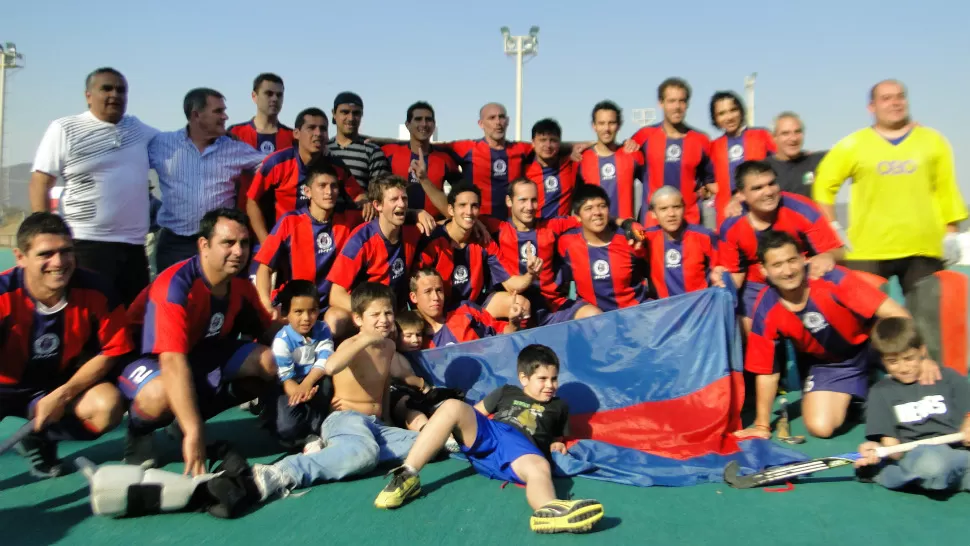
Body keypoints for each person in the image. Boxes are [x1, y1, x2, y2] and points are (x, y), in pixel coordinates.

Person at [373, 344, 604, 535]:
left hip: (521, 450)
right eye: (542, 378)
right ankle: (408, 475)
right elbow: (476, 413)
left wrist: (557, 443)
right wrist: (455, 430)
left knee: (540, 466)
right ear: (524, 378)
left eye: (554, 379)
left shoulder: (559, 406)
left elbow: (556, 437)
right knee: (453, 406)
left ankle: (549, 511)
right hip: (491, 434)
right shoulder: (507, 391)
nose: (550, 385)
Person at [118, 208, 279, 473]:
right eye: (228, 243)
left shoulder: (240, 286)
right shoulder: (175, 286)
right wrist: (195, 431)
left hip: (198, 353)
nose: (239, 252)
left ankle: (182, 421)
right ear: (204, 245)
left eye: (245, 243)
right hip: (146, 359)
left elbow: (269, 332)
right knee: (160, 394)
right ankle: (139, 432)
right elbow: (171, 361)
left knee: (266, 361)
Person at [739, 231, 939, 439]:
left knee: (927, 394)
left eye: (792, 260)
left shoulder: (832, 278)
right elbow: (767, 371)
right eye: (777, 265)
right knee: (820, 427)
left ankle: (880, 387)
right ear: (764, 270)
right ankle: (865, 400)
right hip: (832, 365)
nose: (788, 271)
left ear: (803, 258)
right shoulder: (766, 307)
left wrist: (923, 358)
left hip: (873, 345)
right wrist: (762, 425)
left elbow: (896, 314)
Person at [249, 283, 422, 499]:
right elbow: (331, 366)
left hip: (375, 424)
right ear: (358, 319)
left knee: (423, 443)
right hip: (346, 419)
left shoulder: (389, 346)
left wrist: (386, 417)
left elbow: (384, 383)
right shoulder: (351, 344)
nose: (384, 319)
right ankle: (283, 471)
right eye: (375, 314)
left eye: (388, 312)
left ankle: (344, 453)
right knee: (365, 454)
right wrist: (366, 338)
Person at [0, 213, 130, 478]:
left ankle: (39, 438)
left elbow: (112, 350)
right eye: (45, 254)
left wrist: (62, 395)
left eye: (66, 251)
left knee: (107, 407)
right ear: (20, 257)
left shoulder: (98, 289)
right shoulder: (3, 296)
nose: (58, 263)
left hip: (55, 384)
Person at [813, 79, 968, 294]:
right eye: (886, 98)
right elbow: (823, 186)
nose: (894, 103)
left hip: (923, 248)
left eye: (900, 96)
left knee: (926, 322)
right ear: (872, 107)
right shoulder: (853, 144)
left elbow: (947, 190)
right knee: (867, 320)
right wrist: (833, 228)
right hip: (867, 250)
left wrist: (951, 235)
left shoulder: (933, 141)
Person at [29, 67, 159, 306]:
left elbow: (177, 143)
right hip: (85, 243)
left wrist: (225, 136)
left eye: (121, 90)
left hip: (132, 247)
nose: (115, 95)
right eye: (106, 89)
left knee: (133, 319)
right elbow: (41, 181)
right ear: (88, 95)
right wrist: (43, 233)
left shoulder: (138, 129)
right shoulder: (65, 128)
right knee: (88, 317)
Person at [149, 88, 266, 272]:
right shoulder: (161, 144)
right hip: (174, 245)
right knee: (171, 298)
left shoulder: (234, 149)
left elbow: (273, 167)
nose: (225, 117)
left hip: (218, 245)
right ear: (196, 115)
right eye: (218, 111)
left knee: (217, 299)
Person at [713, 160, 844, 323]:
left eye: (771, 184)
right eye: (757, 188)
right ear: (740, 194)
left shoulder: (801, 208)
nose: (768, 192)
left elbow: (838, 251)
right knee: (743, 324)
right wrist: (721, 281)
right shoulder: (732, 226)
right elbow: (735, 274)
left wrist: (827, 256)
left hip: (800, 277)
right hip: (758, 287)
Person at [855, 316, 970, 493]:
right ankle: (882, 472)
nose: (903, 368)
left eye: (909, 358)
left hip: (959, 451)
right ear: (882, 360)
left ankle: (935, 478)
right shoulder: (881, 392)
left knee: (943, 466)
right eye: (892, 362)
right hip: (919, 455)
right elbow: (894, 449)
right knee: (932, 465)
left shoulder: (948, 378)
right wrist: (879, 452)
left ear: (922, 351)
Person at [252, 162, 362, 334]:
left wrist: (415, 213)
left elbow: (386, 212)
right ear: (307, 192)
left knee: (335, 323)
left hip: (331, 306)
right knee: (270, 329)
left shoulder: (349, 219)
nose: (329, 192)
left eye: (333, 186)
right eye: (322, 186)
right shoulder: (290, 221)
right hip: (297, 305)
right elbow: (264, 267)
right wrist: (266, 305)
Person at [485, 179, 602, 326]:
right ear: (509, 201)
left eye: (533, 200)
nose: (529, 207)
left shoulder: (552, 226)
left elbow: (590, 219)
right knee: (521, 310)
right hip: (518, 307)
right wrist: (478, 225)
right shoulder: (497, 229)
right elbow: (461, 220)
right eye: (523, 200)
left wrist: (626, 223)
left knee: (595, 316)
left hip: (552, 306)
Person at [246, 107, 365, 246]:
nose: (318, 133)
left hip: (324, 244)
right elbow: (252, 201)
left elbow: (359, 195)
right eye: (311, 128)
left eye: (323, 129)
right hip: (285, 244)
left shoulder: (336, 165)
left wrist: (365, 203)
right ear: (296, 133)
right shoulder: (277, 163)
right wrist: (267, 243)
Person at [416, 182, 522, 318]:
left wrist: (531, 274)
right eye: (462, 205)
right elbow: (417, 284)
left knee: (520, 304)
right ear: (450, 210)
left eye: (474, 206)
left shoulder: (484, 239)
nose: (469, 211)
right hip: (441, 310)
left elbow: (510, 284)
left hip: (476, 306)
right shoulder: (433, 241)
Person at [327, 175, 430, 311]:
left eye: (404, 198)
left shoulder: (414, 229)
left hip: (399, 311)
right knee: (334, 317)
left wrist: (419, 212)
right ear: (377, 205)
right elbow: (335, 295)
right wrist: (372, 312)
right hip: (369, 312)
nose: (401, 204)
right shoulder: (361, 239)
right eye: (394, 199)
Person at [625, 78, 714, 226]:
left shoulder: (701, 140)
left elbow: (712, 182)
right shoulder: (643, 136)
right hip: (653, 224)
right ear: (661, 103)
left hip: (690, 223)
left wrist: (707, 191)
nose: (677, 107)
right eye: (671, 101)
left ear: (687, 104)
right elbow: (620, 163)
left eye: (682, 101)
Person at [557, 185, 650, 311]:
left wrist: (629, 225)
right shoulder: (566, 243)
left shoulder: (629, 240)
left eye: (602, 206)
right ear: (578, 217)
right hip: (594, 322)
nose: (597, 212)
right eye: (588, 208)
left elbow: (651, 271)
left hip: (633, 316)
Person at [268, 280, 334, 448]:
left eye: (312, 311)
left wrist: (307, 383)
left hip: (313, 379)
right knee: (286, 428)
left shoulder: (323, 329)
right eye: (298, 311)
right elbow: (286, 378)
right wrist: (300, 392)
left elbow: (324, 359)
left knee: (326, 385)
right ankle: (294, 428)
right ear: (285, 313)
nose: (306, 318)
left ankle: (315, 430)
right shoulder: (282, 341)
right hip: (290, 385)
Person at [708, 91, 777, 229]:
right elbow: (709, 182)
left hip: (764, 214)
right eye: (721, 113)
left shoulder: (762, 136)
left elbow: (781, 165)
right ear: (715, 119)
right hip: (728, 217)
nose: (728, 117)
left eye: (732, 110)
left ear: (741, 111)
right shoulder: (713, 147)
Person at [408, 267, 525, 348]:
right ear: (414, 297)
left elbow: (503, 333)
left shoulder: (466, 310)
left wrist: (514, 323)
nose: (435, 297)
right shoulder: (412, 335)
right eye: (428, 291)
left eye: (439, 290)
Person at [381, 102, 460, 219]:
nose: (424, 124)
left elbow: (462, 195)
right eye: (418, 119)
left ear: (434, 125)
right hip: (397, 228)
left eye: (428, 119)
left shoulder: (445, 159)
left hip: (433, 230)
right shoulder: (388, 153)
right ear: (407, 125)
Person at [640, 186, 718, 298]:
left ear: (684, 208)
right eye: (663, 209)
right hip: (665, 311)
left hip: (700, 309)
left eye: (676, 207)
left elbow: (721, 270)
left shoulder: (704, 236)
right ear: (653, 213)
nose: (671, 214)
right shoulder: (647, 238)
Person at [579, 100, 643, 219]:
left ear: (619, 125)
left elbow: (653, 186)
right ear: (594, 126)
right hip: (594, 233)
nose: (606, 128)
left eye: (611, 123)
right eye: (601, 123)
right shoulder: (581, 159)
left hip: (626, 233)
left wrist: (640, 220)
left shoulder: (632, 155)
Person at [328, 92, 391, 195]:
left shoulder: (373, 152)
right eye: (345, 112)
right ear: (334, 114)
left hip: (361, 210)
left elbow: (381, 194)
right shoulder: (324, 150)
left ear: (362, 115)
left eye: (356, 113)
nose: (351, 118)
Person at [523, 118, 581, 219]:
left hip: (564, 231)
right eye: (543, 140)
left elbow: (595, 146)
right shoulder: (523, 169)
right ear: (533, 142)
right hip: (535, 232)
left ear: (560, 143)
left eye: (553, 140)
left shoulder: (570, 163)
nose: (548, 145)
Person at [764, 112, 826, 199]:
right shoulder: (762, 169)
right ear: (774, 137)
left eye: (797, 132)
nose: (793, 138)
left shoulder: (819, 161)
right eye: (785, 133)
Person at [228, 73, 294, 154]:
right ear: (254, 96)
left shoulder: (293, 136)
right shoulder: (235, 132)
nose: (275, 98)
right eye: (269, 94)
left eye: (279, 95)